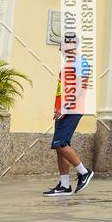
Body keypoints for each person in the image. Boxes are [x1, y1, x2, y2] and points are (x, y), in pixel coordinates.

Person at [43, 36, 94, 196]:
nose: (60, 49)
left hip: (72, 109)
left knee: (61, 144)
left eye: (62, 45)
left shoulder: (81, 62)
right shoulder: (69, 64)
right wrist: (58, 108)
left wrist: (65, 108)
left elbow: (80, 88)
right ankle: (64, 185)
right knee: (59, 148)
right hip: (63, 110)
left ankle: (84, 172)